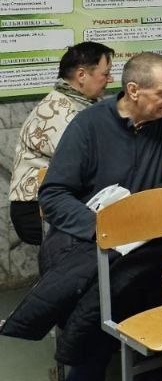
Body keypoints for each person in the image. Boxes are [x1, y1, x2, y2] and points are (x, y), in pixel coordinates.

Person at [0, 52, 162, 381]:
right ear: (134, 91)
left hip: (147, 234)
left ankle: (138, 375)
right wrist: (105, 229)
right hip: (86, 231)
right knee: (105, 286)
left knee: (147, 273)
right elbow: (54, 195)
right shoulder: (88, 125)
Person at [8, 42, 115, 245]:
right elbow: (90, 162)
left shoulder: (82, 103)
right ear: (82, 75)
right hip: (36, 207)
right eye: (105, 74)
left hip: (62, 199)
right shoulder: (59, 111)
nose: (110, 79)